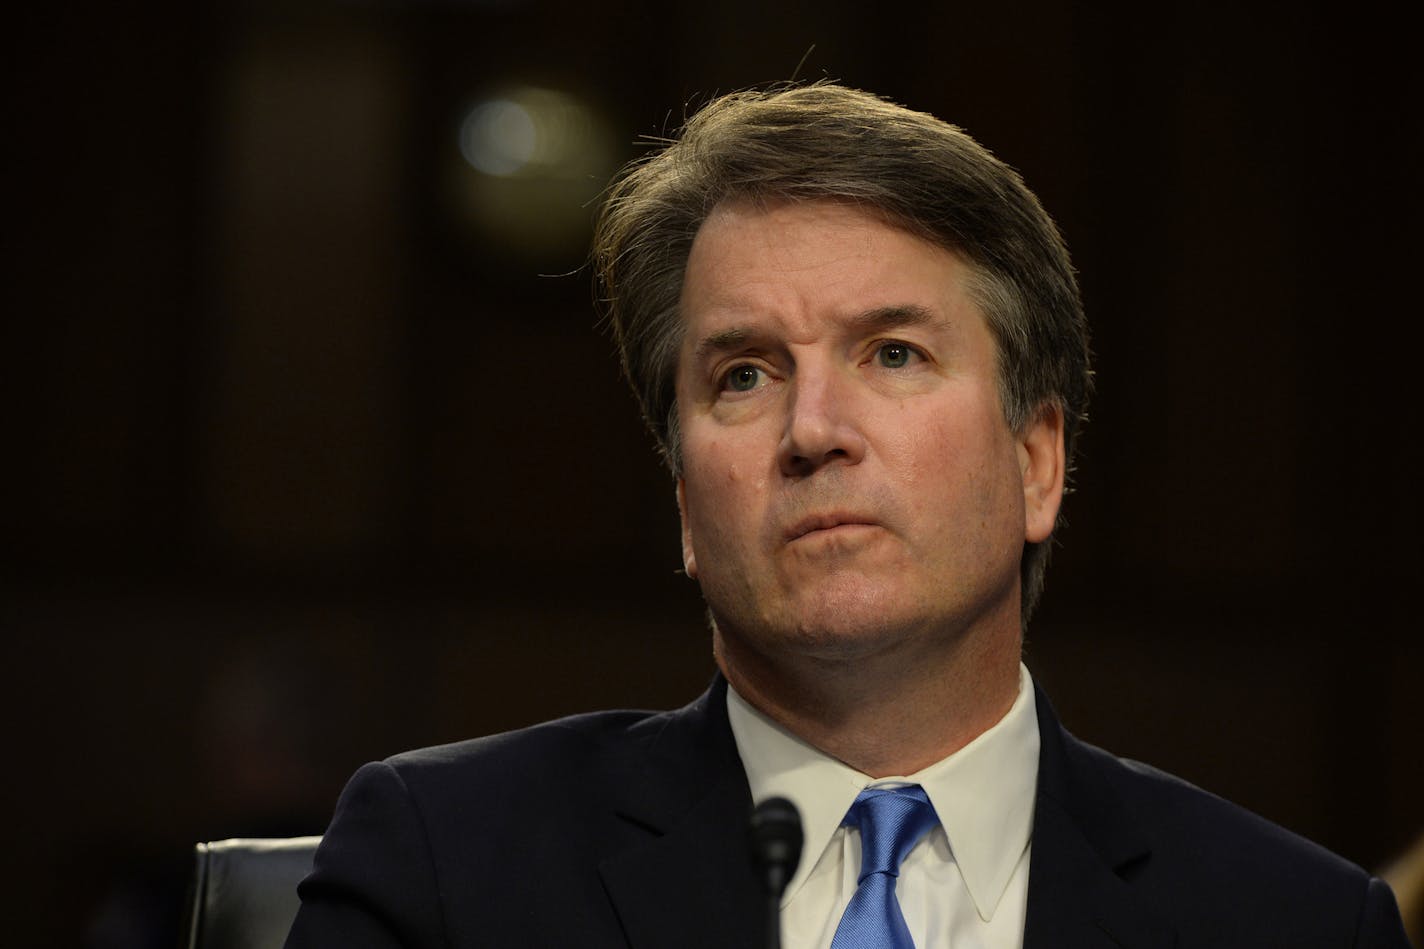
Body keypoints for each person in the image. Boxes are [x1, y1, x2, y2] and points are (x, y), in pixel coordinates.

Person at [284, 84, 1411, 948]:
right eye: (741, 375)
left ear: (1035, 460)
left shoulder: (1291, 921)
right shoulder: (445, 868)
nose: (812, 426)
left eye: (892, 353)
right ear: (684, 503)